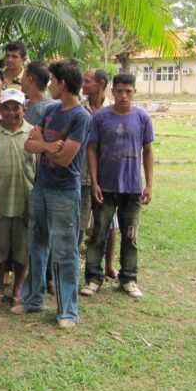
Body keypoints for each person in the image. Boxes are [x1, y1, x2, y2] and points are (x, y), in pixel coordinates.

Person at [13, 59, 91, 330]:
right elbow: (29, 145)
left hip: (64, 193)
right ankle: (33, 299)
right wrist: (48, 145)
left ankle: (67, 311)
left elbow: (66, 158)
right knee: (36, 244)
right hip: (42, 188)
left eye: (53, 82)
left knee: (65, 252)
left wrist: (44, 146)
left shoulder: (81, 117)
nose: (50, 86)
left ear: (62, 84)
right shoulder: (52, 111)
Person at [81, 73, 154, 299]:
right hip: (106, 186)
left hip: (132, 188)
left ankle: (128, 278)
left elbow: (148, 151)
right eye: (119, 90)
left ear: (134, 92)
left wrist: (149, 184)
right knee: (98, 234)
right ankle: (93, 278)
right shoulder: (101, 118)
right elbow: (91, 149)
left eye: (128, 91)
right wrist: (94, 181)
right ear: (112, 91)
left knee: (130, 236)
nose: (123, 95)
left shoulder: (142, 118)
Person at [0, 89, 36, 306]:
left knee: (22, 250)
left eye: (16, 107)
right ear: (0, 109)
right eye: (7, 107)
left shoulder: (33, 134)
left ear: (23, 109)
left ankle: (17, 288)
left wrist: (33, 205)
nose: (11, 112)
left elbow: (40, 173)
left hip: (25, 203)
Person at [80, 68, 117, 279]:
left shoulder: (113, 109)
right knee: (81, 222)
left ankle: (109, 265)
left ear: (101, 83)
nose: (83, 85)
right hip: (82, 174)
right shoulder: (79, 107)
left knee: (110, 224)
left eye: (88, 81)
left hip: (107, 175)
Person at [22, 60, 58, 126]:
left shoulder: (49, 108)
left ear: (29, 79)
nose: (21, 80)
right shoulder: (23, 105)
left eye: (23, 76)